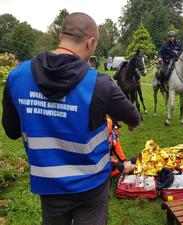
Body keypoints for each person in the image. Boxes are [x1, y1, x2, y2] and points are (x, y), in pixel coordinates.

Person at [2, 12, 140, 225]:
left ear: (61, 35)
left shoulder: (17, 76)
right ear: (91, 42)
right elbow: (134, 117)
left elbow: (11, 131)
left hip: (49, 185)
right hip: (91, 185)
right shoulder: (99, 85)